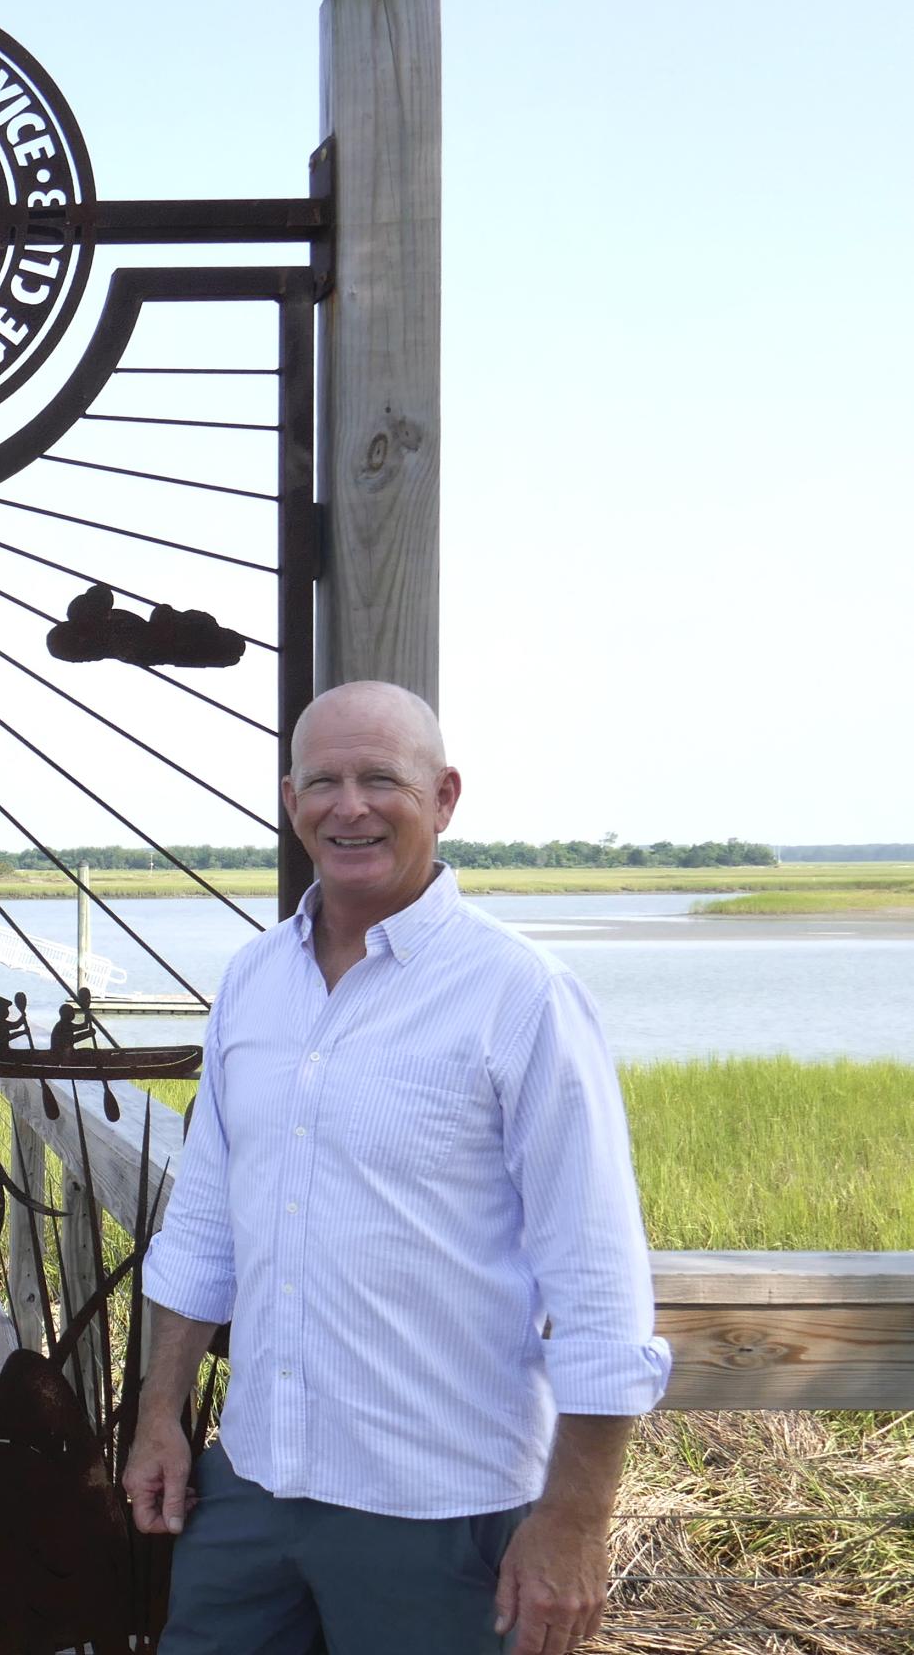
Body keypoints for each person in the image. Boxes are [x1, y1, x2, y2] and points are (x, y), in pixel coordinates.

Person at [123, 681, 669, 1654]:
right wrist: (159, 1416)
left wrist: (575, 1520)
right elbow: (205, 1220)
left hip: (434, 1512)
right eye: (322, 781)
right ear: (289, 800)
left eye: (382, 779)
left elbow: (596, 1278)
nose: (349, 806)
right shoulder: (253, 978)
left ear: (444, 797)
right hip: (249, 1486)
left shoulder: (519, 994)